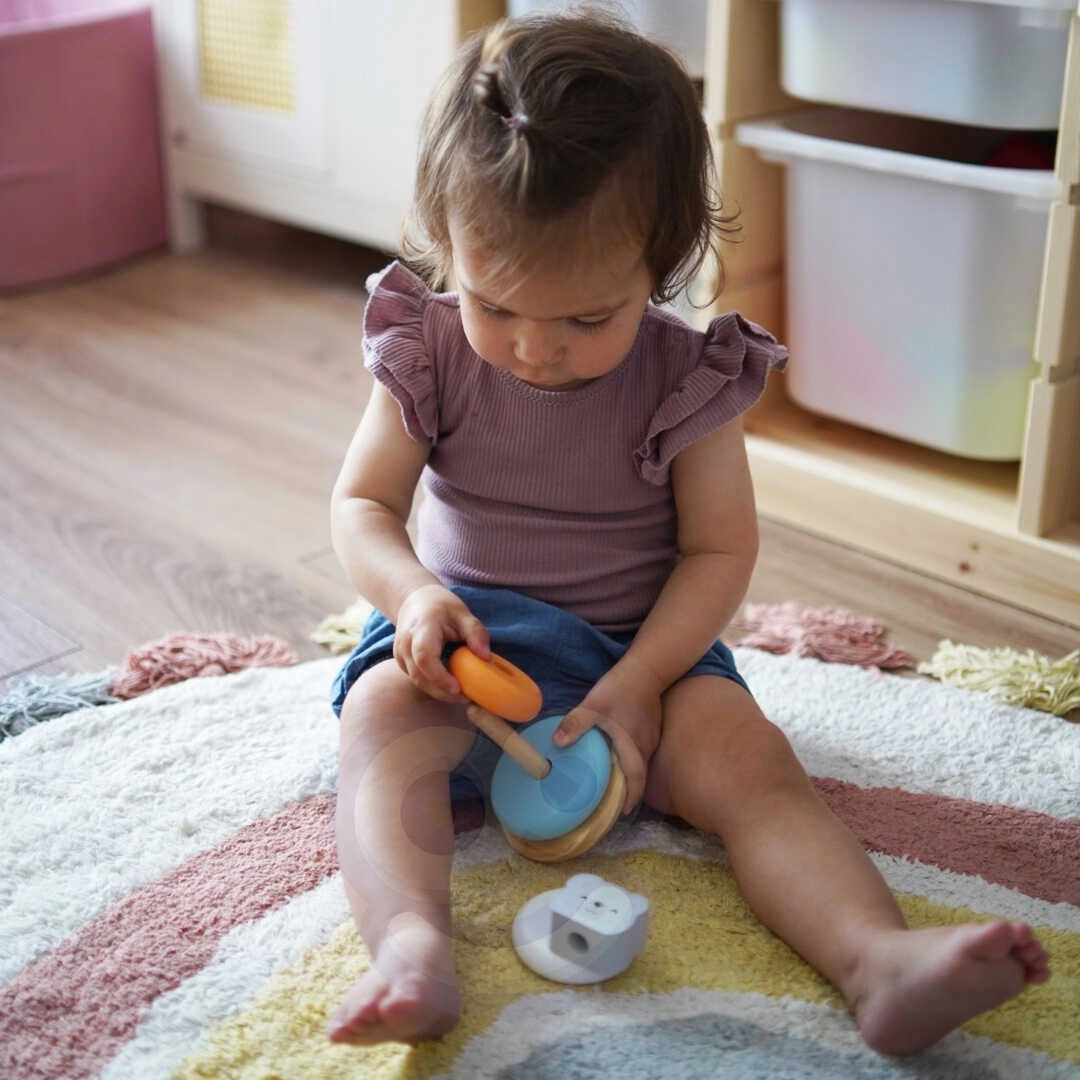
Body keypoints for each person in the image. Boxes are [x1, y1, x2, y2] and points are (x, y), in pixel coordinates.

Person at [326, 10, 1050, 1054]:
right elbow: (362, 506)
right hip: (464, 651)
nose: (535, 349)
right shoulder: (428, 348)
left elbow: (718, 552)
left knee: (753, 763)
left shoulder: (689, 379)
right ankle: (409, 948)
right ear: (445, 243)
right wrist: (413, 598)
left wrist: (642, 683)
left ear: (661, 263)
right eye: (497, 305)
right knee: (378, 724)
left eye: (587, 318)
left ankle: (876, 959)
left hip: (645, 654)